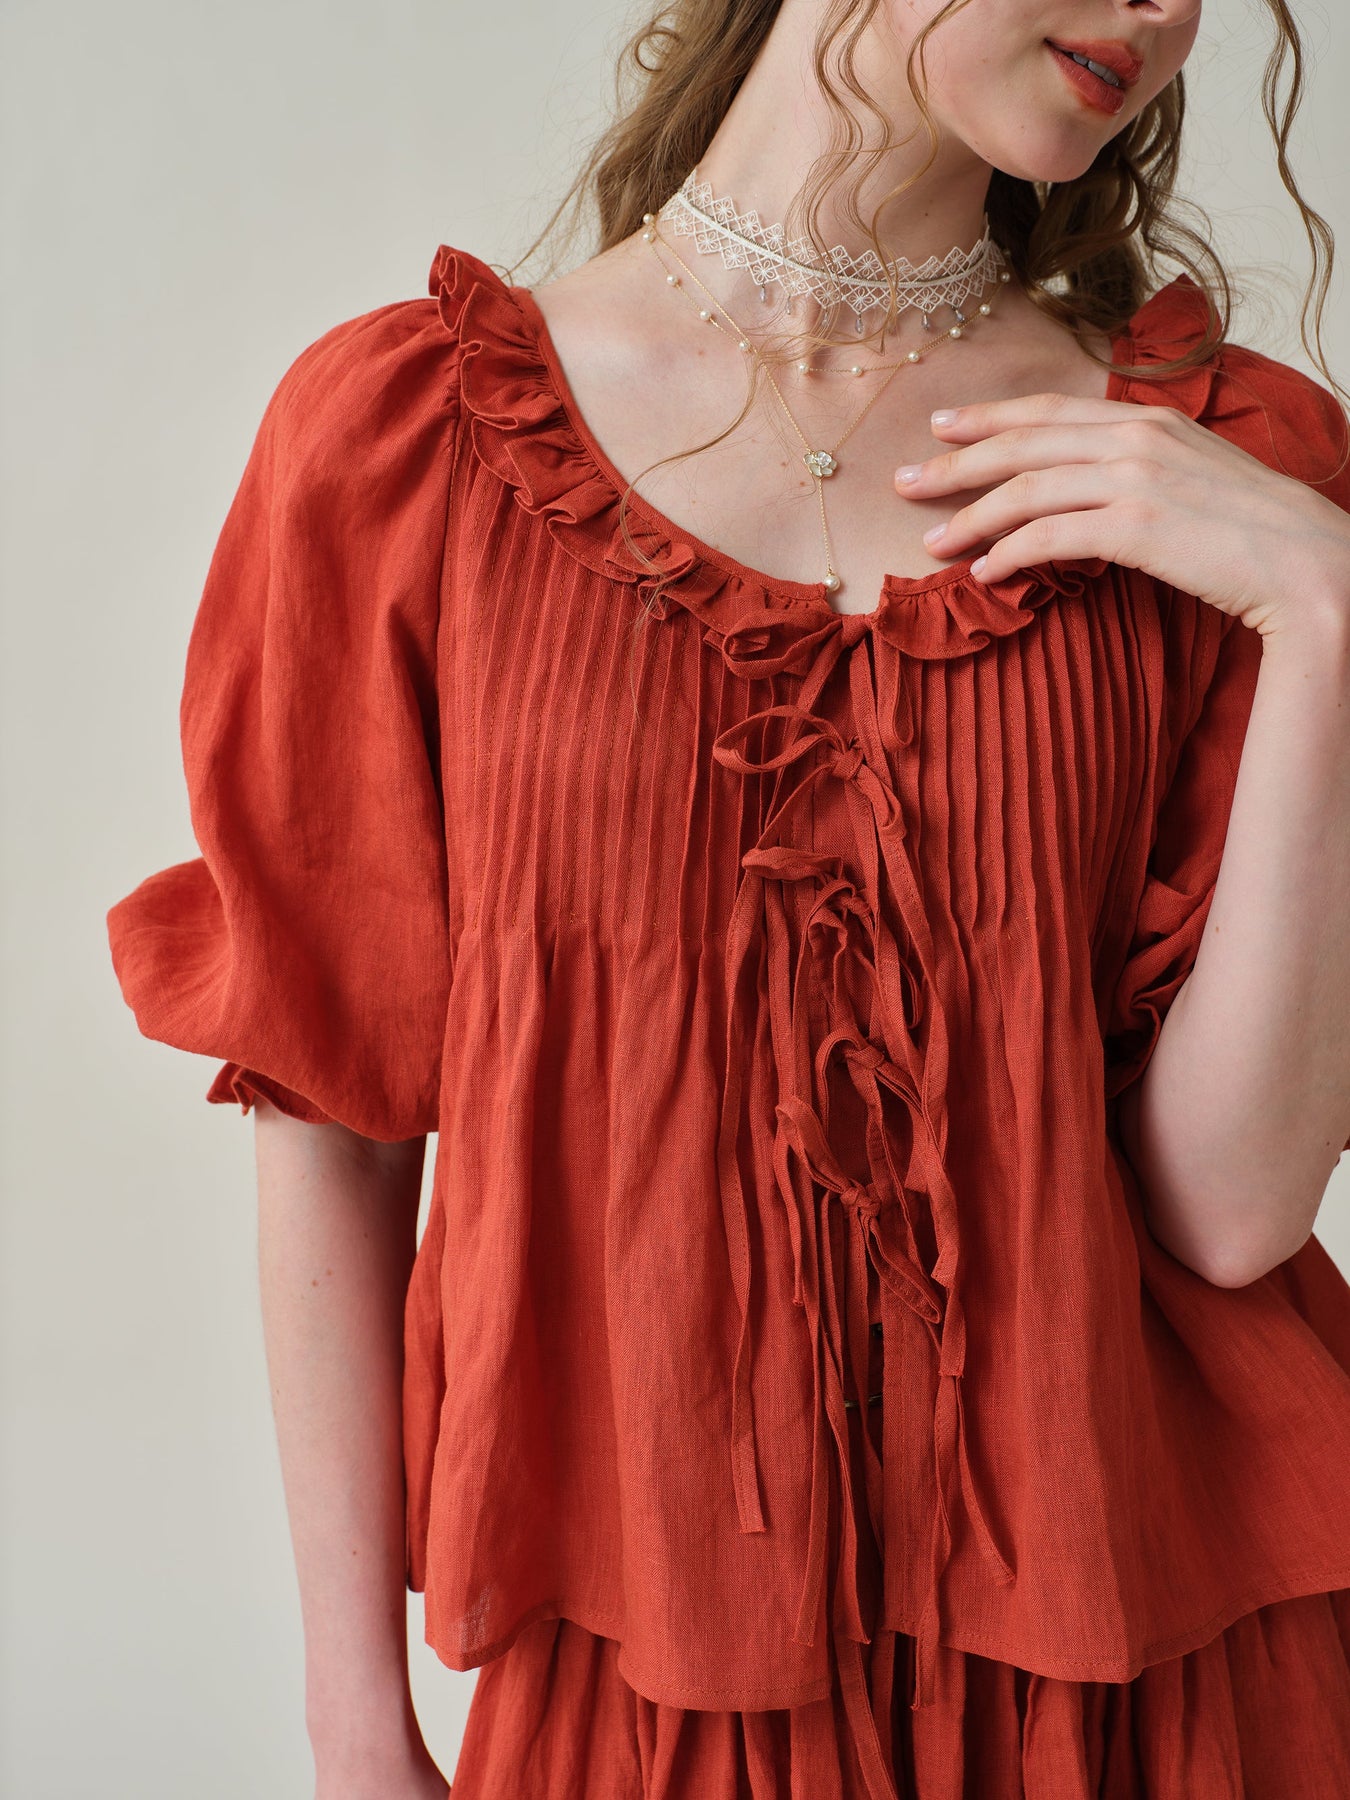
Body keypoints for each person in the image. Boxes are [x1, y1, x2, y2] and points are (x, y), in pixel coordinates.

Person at [106, 0, 1350, 1793]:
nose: (1164, 9)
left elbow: (1229, 1214)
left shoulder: (1226, 473)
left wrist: (1321, 614)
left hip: (1158, 1665)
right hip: (658, 1664)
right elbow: (335, 1111)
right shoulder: (405, 448)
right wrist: (353, 1721)